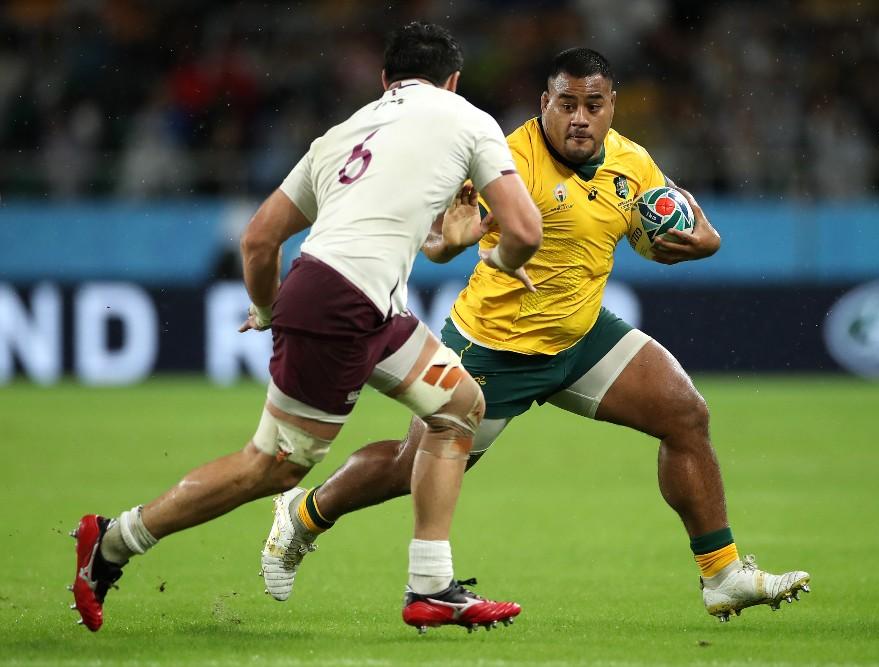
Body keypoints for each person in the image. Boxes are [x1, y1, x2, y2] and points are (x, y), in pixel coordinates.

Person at [260, 47, 810, 623]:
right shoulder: (505, 159)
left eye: (593, 105)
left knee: (685, 414)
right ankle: (302, 516)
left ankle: (722, 576)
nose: (580, 117)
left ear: (611, 106)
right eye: (566, 104)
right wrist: (448, 242)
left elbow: (667, 225)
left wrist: (704, 242)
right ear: (544, 104)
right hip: (493, 348)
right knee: (407, 467)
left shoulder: (633, 163)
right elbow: (439, 238)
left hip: (581, 339)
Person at [70, 21, 542, 634]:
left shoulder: (341, 136)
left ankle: (431, 586)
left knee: (458, 407)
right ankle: (113, 543)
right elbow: (525, 233)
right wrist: (496, 258)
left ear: (384, 80)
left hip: (358, 303)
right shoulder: (467, 119)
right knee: (272, 466)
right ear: (453, 81)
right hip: (345, 306)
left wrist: (267, 309)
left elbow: (259, 239)